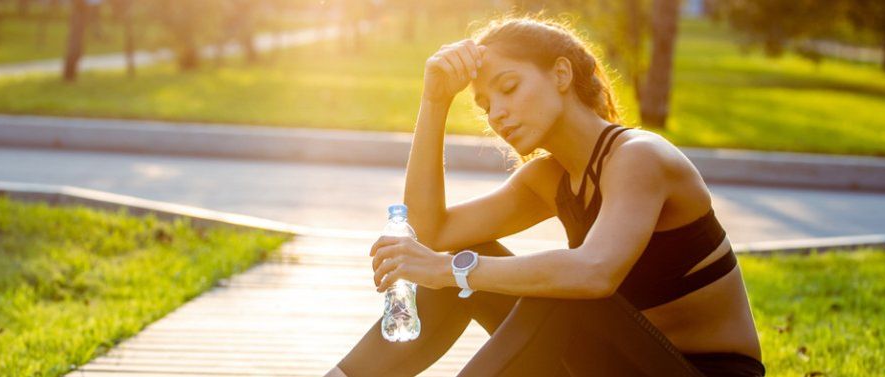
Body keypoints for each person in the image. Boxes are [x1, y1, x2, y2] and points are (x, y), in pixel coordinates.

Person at [326, 15, 764, 376]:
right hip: (616, 364)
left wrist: (446, 269)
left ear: (560, 74)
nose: (497, 112)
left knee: (557, 288)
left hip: (702, 372)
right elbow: (434, 232)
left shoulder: (639, 157)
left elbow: (593, 273)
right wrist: (434, 101)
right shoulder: (549, 178)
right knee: (474, 254)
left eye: (509, 87)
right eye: (484, 105)